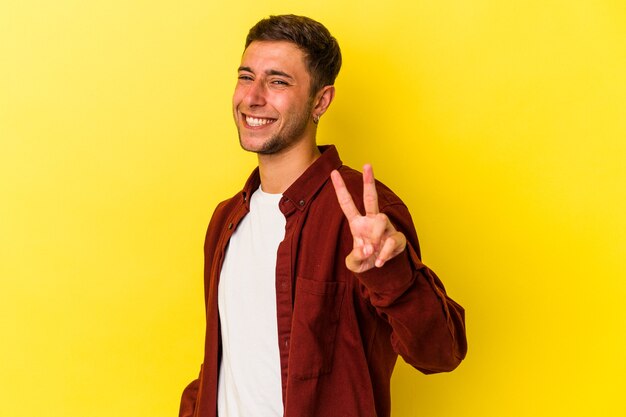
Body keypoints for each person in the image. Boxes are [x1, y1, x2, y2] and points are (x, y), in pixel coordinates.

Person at [179, 14, 467, 417]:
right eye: (246, 77)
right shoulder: (226, 220)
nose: (253, 97)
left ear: (321, 100)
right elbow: (226, 362)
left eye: (278, 81)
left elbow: (441, 352)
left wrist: (392, 273)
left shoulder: (364, 214)